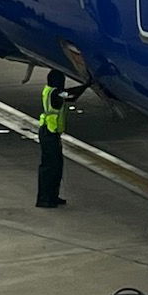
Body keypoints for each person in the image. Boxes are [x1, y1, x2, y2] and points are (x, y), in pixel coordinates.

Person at [35, 69, 88, 208]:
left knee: (56, 166)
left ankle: (52, 196)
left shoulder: (50, 90)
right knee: (50, 166)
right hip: (49, 133)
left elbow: (68, 94)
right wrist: (86, 85)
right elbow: (71, 96)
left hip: (50, 132)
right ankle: (45, 198)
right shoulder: (55, 94)